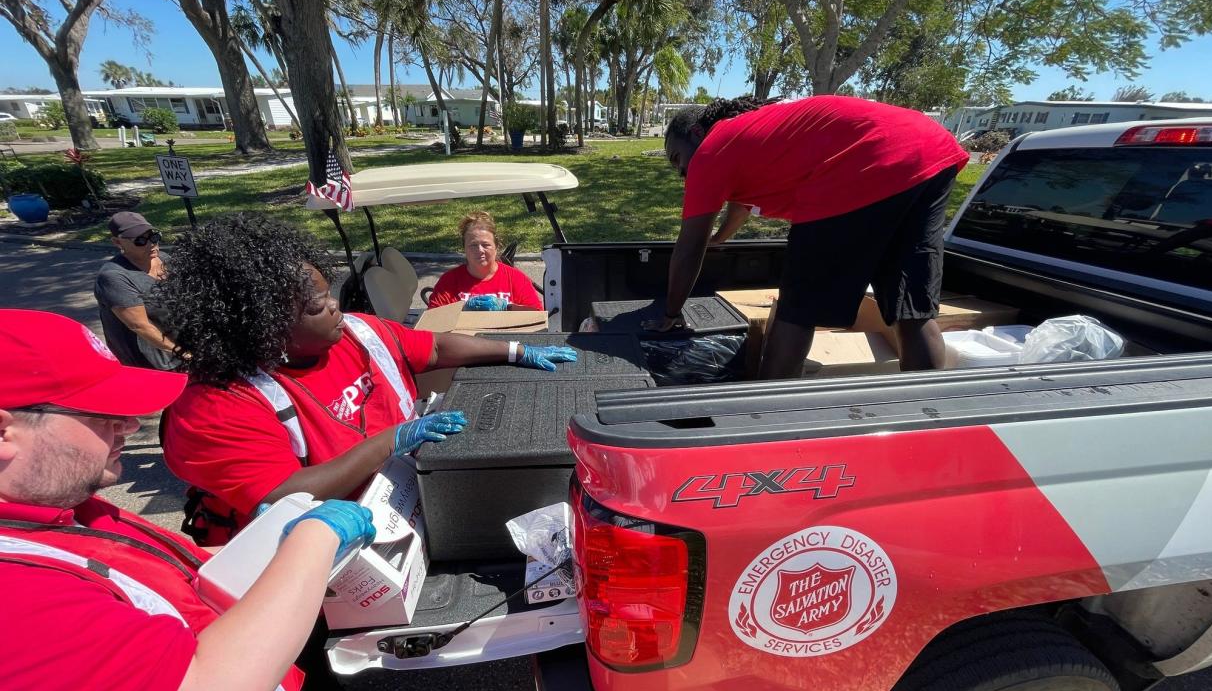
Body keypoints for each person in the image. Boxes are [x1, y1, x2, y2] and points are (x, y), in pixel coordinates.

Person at [0, 309, 376, 691]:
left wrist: (259, 545)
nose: (129, 425)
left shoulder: (56, 506)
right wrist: (313, 540)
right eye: (101, 411)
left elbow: (170, 580)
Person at [158, 215, 573, 535]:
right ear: (263, 324)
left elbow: (436, 345)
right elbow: (283, 494)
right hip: (327, 546)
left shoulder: (359, 332)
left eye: (329, 296)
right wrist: (390, 442)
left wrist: (516, 350)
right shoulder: (216, 406)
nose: (336, 308)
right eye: (317, 307)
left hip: (408, 498)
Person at [651, 95, 970, 377]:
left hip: (862, 162)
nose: (681, 172)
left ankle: (764, 416)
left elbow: (689, 246)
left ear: (696, 134)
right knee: (911, 308)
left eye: (677, 158)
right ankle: (926, 413)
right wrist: (721, 237)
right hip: (930, 150)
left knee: (797, 311)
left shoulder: (711, 151)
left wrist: (671, 313)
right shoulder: (746, 135)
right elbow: (740, 207)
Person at [93, 211, 179, 370]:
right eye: (140, 241)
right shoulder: (114, 277)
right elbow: (141, 326)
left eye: (154, 236)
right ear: (118, 242)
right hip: (152, 362)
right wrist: (181, 353)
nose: (151, 244)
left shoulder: (165, 260)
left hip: (180, 349)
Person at [427, 211, 544, 310]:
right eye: (473, 245)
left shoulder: (516, 279)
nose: (480, 250)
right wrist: (462, 309)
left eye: (485, 245)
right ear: (464, 248)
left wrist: (506, 307)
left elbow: (537, 315)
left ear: (496, 247)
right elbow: (433, 321)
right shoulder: (448, 282)